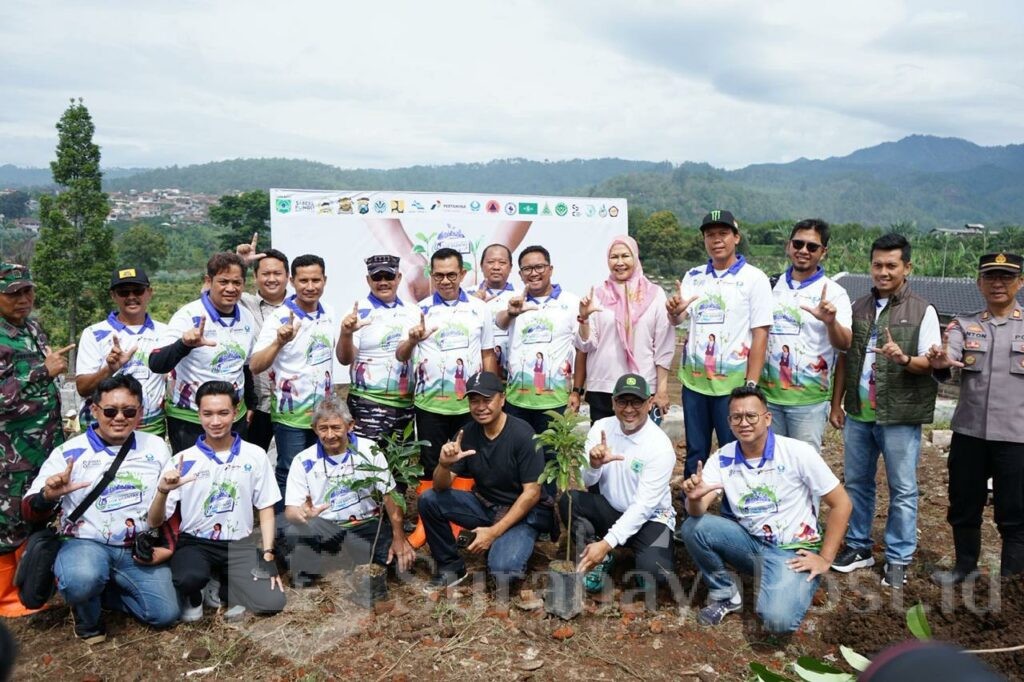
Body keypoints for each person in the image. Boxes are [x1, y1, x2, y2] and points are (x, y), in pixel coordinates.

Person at [679, 386, 851, 633]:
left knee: (777, 622)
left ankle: (792, 582)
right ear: (729, 422)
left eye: (751, 416)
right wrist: (694, 498)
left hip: (791, 551)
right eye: (736, 417)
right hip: (749, 544)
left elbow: (841, 503)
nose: (744, 423)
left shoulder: (797, 452)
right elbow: (697, 511)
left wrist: (825, 558)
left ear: (767, 418)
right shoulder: (723, 457)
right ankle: (727, 594)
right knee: (694, 526)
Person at [22, 375, 177, 643]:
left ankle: (104, 590)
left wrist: (169, 546)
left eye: (129, 411)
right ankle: (87, 615)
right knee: (81, 580)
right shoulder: (69, 452)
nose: (120, 418)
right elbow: (29, 508)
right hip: (85, 543)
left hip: (136, 547)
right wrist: (48, 495)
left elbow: (170, 506)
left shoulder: (156, 447)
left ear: (140, 412)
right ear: (94, 410)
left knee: (165, 614)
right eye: (110, 411)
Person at [829, 233, 940, 588]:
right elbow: (845, 359)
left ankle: (899, 557)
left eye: (892, 265)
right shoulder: (858, 307)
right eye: (877, 265)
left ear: (907, 267)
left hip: (899, 416)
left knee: (903, 488)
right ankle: (860, 546)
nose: (884, 271)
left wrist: (904, 358)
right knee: (857, 483)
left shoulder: (922, 310)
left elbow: (929, 363)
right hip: (860, 413)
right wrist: (838, 403)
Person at [148, 380, 285, 621]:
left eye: (223, 413)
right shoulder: (183, 460)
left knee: (272, 602)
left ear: (236, 411)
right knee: (188, 577)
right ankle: (196, 592)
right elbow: (154, 521)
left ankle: (223, 585)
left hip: (238, 542)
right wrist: (162, 491)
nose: (215, 422)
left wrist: (268, 555)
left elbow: (265, 507)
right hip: (195, 542)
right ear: (198, 413)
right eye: (207, 414)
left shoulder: (255, 455)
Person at [927, 252, 1024, 584]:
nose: (998, 283)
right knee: (964, 504)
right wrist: (940, 360)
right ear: (979, 282)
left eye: (1006, 277)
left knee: (1015, 512)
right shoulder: (963, 324)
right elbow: (948, 357)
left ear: (1020, 283)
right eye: (991, 277)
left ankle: (1012, 581)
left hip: (1017, 437)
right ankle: (965, 569)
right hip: (970, 434)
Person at [418, 371, 551, 594]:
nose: (480, 407)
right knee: (429, 499)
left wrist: (494, 532)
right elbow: (440, 487)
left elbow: (532, 493)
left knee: (503, 570)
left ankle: (511, 542)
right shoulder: (468, 433)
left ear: (502, 398)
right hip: (484, 506)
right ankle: (451, 568)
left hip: (520, 513)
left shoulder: (523, 434)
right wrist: (443, 465)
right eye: (474, 401)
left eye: (487, 400)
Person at [668, 210, 773, 480]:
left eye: (723, 234)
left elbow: (760, 333)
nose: (717, 240)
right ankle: (694, 509)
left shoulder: (754, 279)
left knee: (735, 447)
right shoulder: (694, 276)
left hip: (733, 386)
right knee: (696, 449)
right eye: (710, 235)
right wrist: (673, 310)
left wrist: (750, 385)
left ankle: (733, 507)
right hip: (694, 383)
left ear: (736, 237)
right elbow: (679, 318)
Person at [0, 263, 71, 616]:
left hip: (43, 442)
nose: (22, 299)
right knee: (7, 518)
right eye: (13, 293)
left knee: (37, 510)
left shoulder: (32, 328)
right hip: (9, 449)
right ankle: (6, 597)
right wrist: (45, 371)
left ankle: (33, 583)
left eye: (27, 291)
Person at [282, 399, 415, 588]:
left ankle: (360, 559)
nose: (330, 435)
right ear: (314, 429)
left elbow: (389, 495)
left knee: (403, 565)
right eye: (323, 428)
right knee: (294, 531)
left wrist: (399, 536)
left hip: (365, 524)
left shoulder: (369, 450)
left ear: (350, 425)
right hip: (326, 526)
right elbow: (290, 510)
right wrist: (302, 514)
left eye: (336, 427)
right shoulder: (303, 460)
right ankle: (307, 575)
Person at [568, 374, 675, 592]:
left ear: (649, 403)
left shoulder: (660, 446)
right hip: (612, 509)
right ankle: (600, 558)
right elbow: (586, 480)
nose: (629, 409)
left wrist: (607, 543)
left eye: (636, 402)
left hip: (651, 519)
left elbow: (643, 507)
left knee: (655, 578)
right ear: (613, 402)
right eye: (622, 401)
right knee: (570, 501)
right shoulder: (600, 428)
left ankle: (612, 549)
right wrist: (594, 465)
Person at [395, 248, 497, 476]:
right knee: (432, 465)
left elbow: (487, 353)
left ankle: (466, 510)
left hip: (470, 404)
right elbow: (401, 355)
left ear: (462, 274)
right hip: (430, 406)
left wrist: (492, 395)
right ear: (431, 274)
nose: (445, 281)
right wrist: (411, 341)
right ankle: (432, 512)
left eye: (451, 274)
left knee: (469, 463)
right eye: (439, 275)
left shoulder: (480, 308)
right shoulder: (418, 310)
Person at [149, 253, 258, 453]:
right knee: (193, 479)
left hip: (234, 417)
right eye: (223, 282)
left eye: (237, 282)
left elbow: (244, 366)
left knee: (231, 478)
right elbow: (156, 363)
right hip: (190, 418)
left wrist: (251, 403)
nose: (231, 288)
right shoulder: (188, 315)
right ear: (209, 281)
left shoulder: (246, 317)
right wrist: (184, 344)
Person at [249, 254, 338, 500]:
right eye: (304, 280)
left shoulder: (328, 312)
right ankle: (286, 531)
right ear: (292, 281)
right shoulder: (280, 317)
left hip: (323, 414)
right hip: (291, 416)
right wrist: (279, 342)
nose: (310, 287)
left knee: (319, 469)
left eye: (316, 280)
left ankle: (315, 525)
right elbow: (256, 365)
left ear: (325, 280)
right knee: (290, 469)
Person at [762, 220, 852, 450]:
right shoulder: (769, 286)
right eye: (798, 243)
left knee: (805, 467)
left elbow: (845, 344)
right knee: (771, 461)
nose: (803, 251)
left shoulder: (835, 293)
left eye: (812, 247)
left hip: (809, 402)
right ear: (788, 246)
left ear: (823, 252)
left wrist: (830, 322)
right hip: (768, 398)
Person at [577, 235, 674, 422]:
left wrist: (661, 390)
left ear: (636, 257)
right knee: (603, 448)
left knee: (641, 448)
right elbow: (587, 345)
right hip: (603, 388)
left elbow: (663, 345)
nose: (619, 262)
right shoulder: (597, 295)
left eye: (625, 256)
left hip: (643, 387)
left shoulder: (654, 294)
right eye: (614, 257)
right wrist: (584, 319)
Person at [76, 267, 171, 436]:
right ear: (113, 295)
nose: (131, 297)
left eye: (138, 291)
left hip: (150, 427)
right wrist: (109, 369)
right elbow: (83, 388)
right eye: (123, 292)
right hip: (104, 428)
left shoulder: (166, 333)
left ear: (149, 292)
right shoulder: (94, 334)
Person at [336, 255, 420, 442]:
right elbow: (344, 359)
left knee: (402, 466)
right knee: (367, 465)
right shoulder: (358, 312)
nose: (383, 282)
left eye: (388, 276)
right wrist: (346, 333)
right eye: (377, 277)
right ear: (368, 280)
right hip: (367, 403)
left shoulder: (413, 311)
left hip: (404, 404)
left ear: (398, 278)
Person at [237, 234, 290, 451]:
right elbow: (210, 293)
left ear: (288, 277)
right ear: (255, 276)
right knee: (254, 461)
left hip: (294, 408)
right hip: (257, 405)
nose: (271, 279)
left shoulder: (302, 307)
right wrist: (240, 262)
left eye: (277, 273)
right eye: (265, 273)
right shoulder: (243, 303)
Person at [474, 244, 518, 381]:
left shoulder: (520, 297)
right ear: (481, 266)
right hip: (476, 376)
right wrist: (474, 304)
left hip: (513, 376)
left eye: (502, 263)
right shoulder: (467, 296)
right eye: (491, 262)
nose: (496, 267)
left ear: (511, 267)